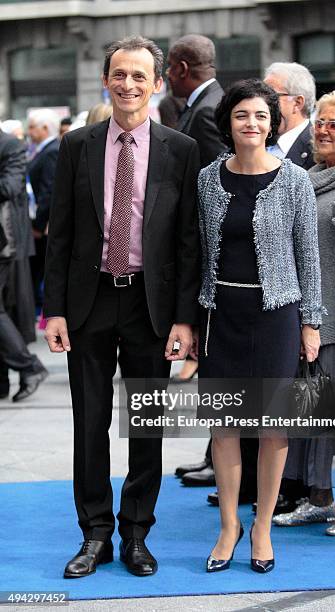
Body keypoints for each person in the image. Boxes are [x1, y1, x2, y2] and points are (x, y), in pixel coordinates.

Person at [44, 36, 200, 579]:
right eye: (119, 74)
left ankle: (136, 533)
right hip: (86, 305)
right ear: (106, 80)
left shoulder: (180, 150)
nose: (128, 84)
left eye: (139, 76)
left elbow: (187, 243)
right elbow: (59, 235)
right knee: (88, 424)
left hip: (149, 306)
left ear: (157, 84)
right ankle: (94, 535)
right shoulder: (76, 146)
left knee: (146, 425)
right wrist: (54, 310)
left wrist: (185, 318)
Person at [196, 79, 322, 573]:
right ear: (228, 122)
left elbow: (307, 256)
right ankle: (229, 526)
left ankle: (263, 525)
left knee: (273, 428)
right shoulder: (207, 180)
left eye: (262, 116)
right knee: (225, 427)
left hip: (277, 318)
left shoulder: (294, 180)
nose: (252, 123)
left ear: (274, 123)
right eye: (243, 114)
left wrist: (310, 323)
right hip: (220, 315)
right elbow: (199, 251)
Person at [273, 91, 335, 535]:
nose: (323, 130)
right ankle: (319, 499)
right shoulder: (307, 177)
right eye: (320, 122)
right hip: (310, 314)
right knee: (313, 413)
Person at [167, 34, 231, 488]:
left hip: (212, 261)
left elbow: (213, 191)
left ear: (182, 67)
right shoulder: (204, 104)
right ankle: (214, 453)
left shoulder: (208, 111)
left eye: (168, 66)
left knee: (217, 363)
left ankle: (219, 457)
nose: (168, 75)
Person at [264, 61, 317, 512]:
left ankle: (300, 486)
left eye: (269, 95)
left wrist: (310, 318)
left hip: (291, 298)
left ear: (295, 102)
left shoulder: (308, 152)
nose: (258, 106)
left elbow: (306, 245)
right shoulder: (259, 149)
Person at [0, 128, 48, 401]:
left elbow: (10, 186)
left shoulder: (11, 145)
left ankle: (29, 367)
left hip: (6, 244)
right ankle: (8, 377)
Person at [27, 109, 59, 308]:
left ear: (45, 128)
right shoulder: (44, 150)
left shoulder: (51, 151)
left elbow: (49, 191)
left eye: (32, 127)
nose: (29, 132)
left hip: (43, 227)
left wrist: (38, 225)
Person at [264, 62, 315, 169]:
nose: (262, 103)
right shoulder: (254, 143)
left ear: (297, 103)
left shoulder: (318, 150)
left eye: (271, 96)